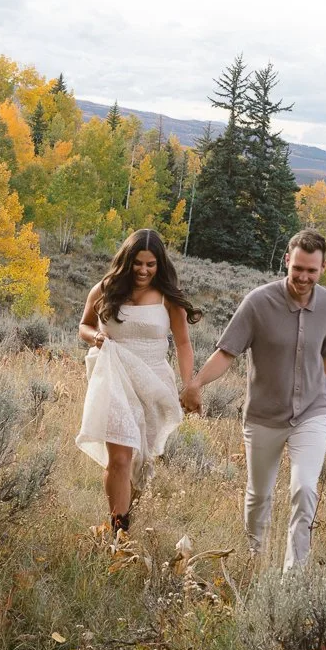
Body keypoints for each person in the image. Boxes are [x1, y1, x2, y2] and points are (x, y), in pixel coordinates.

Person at [181, 229, 326, 570]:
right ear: (287, 261)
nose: (303, 276)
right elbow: (227, 352)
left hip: (311, 413)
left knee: (304, 489)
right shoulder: (258, 302)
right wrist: (196, 383)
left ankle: (292, 576)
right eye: (297, 267)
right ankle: (256, 559)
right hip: (264, 416)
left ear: (323, 268)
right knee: (259, 495)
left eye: (311, 271)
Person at [76, 228, 202, 536]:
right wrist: (97, 337)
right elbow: (84, 325)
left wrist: (190, 384)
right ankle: (119, 535)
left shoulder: (168, 300)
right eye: (138, 263)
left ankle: (125, 520)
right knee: (120, 458)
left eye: (150, 264)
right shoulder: (104, 289)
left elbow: (184, 344)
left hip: (153, 381)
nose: (143, 270)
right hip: (113, 378)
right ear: (126, 260)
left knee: (141, 462)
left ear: (159, 265)